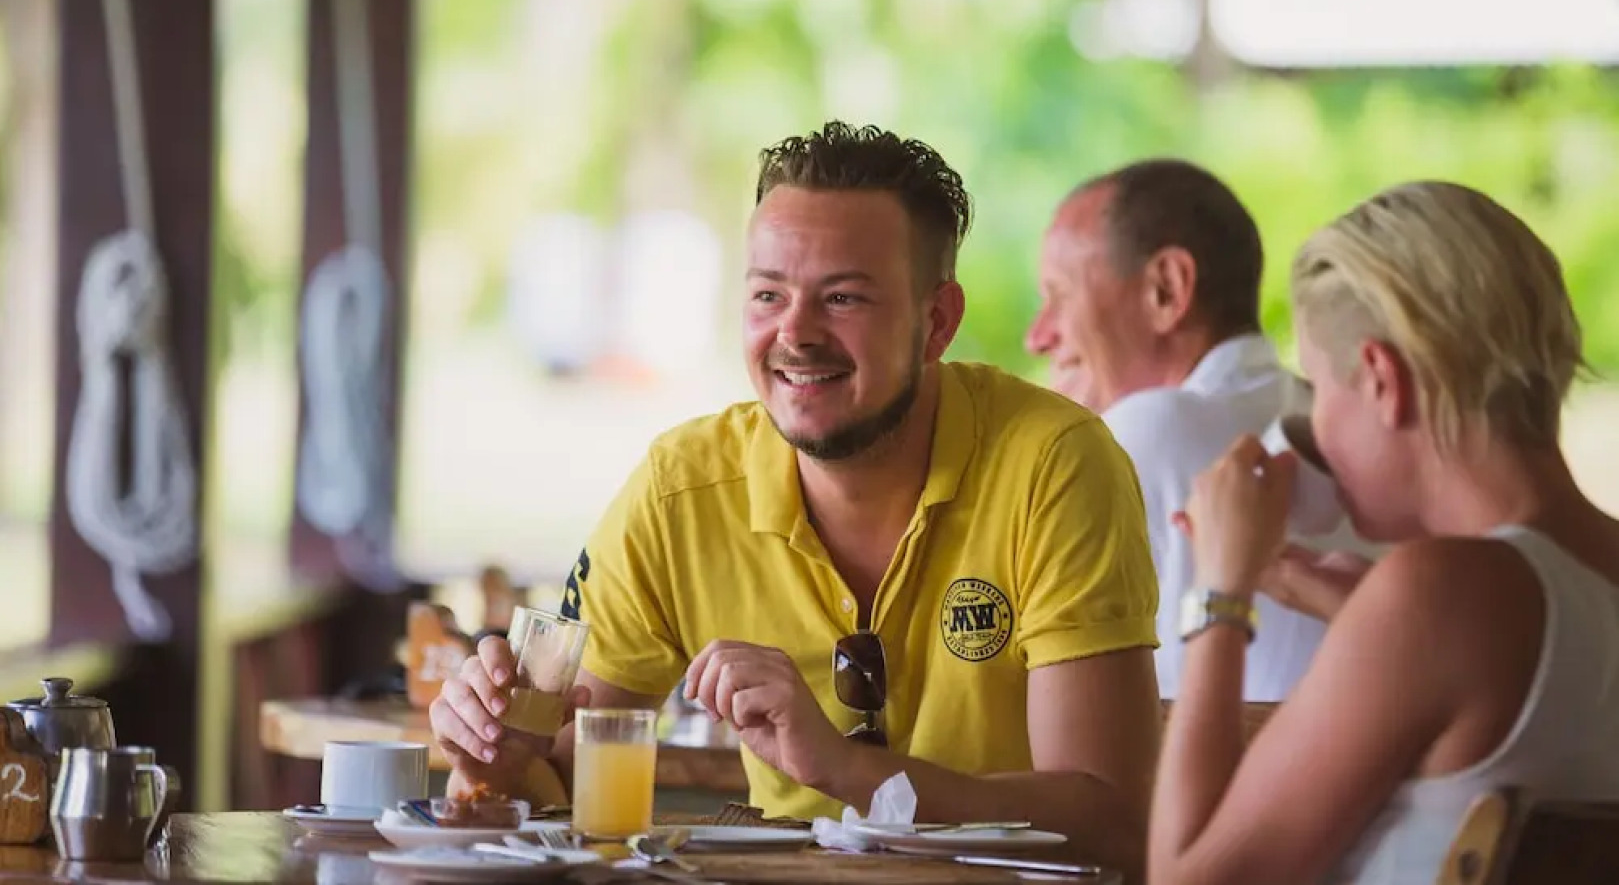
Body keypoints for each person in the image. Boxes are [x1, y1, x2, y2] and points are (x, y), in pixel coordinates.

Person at [431, 122, 1162, 874]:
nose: (795, 333)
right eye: (767, 294)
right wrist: (492, 764)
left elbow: (1111, 822)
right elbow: (555, 776)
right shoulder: (680, 488)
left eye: (842, 297)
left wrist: (844, 770)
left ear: (936, 322)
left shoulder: (1054, 463)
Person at [1148, 181, 1619, 885]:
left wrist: (1220, 595)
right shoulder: (1524, 591)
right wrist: (1363, 613)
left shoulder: (1441, 593)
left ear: (1379, 379)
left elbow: (1188, 880)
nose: (1316, 423)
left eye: (1317, 388)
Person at [1026, 159, 1358, 701]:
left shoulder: (1144, 430)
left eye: (1059, 296)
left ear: (1167, 289)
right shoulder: (1333, 418)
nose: (1038, 337)